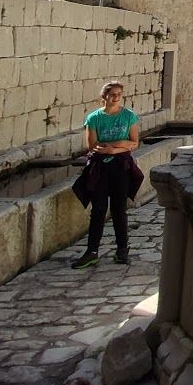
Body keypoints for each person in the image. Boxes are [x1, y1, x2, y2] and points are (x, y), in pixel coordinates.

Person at [71, 80, 141, 269]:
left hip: (121, 166)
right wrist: (121, 144)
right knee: (99, 209)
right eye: (112, 94)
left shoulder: (129, 117)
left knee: (119, 209)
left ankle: (122, 250)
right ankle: (92, 251)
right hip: (100, 167)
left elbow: (134, 143)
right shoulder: (94, 118)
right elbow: (93, 146)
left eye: (119, 94)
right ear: (105, 97)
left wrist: (113, 149)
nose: (116, 97)